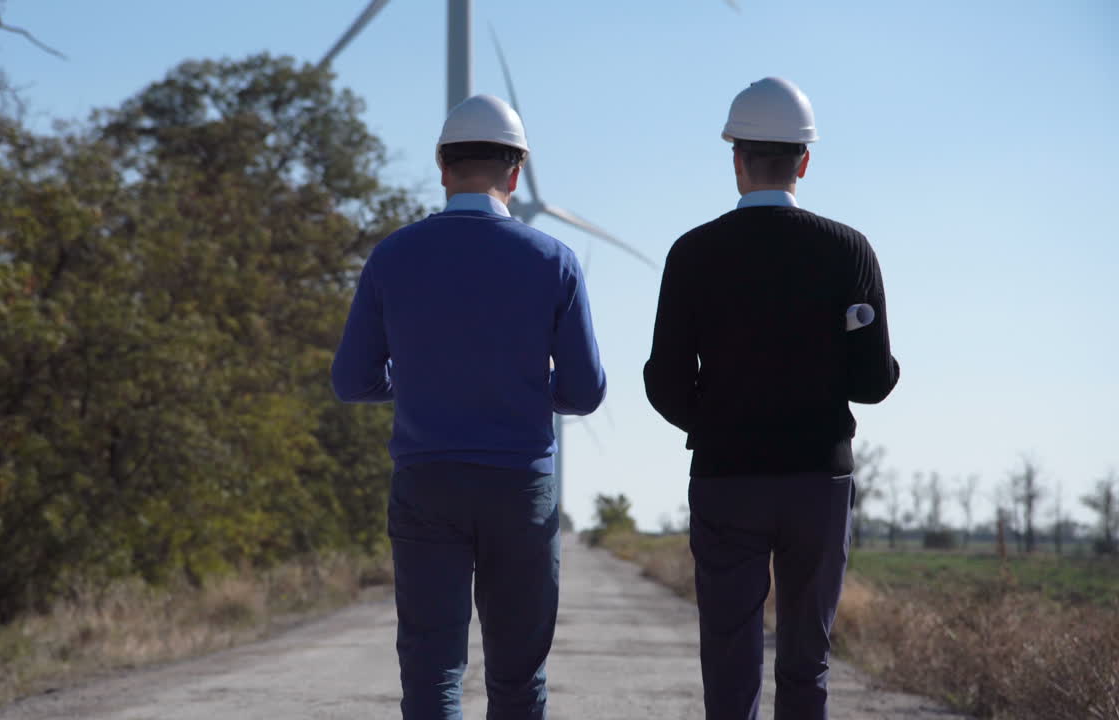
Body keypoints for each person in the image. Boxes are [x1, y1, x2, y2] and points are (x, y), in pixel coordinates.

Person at [332, 93, 606, 720]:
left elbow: (351, 380)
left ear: (442, 168)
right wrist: (526, 392)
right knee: (518, 674)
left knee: (432, 672)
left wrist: (423, 384)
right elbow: (587, 392)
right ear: (516, 173)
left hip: (427, 483)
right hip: (520, 489)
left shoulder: (391, 256)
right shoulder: (554, 261)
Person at [643, 77, 900, 720]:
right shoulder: (849, 250)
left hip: (727, 478)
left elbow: (664, 380)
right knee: (806, 658)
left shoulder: (693, 253)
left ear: (736, 159)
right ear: (805, 161)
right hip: (819, 477)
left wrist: (717, 417)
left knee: (729, 655)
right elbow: (873, 383)